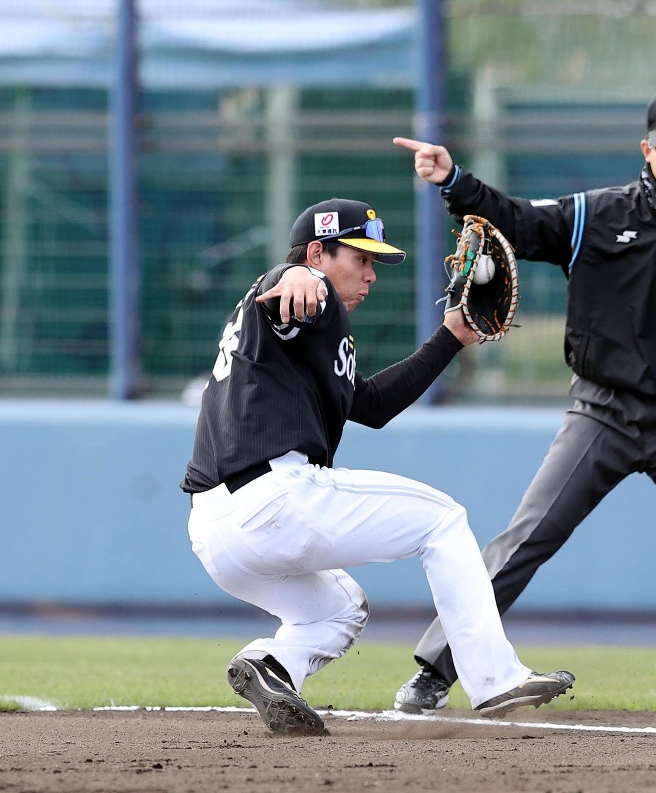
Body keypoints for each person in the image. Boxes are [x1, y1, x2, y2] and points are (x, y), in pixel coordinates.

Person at [391, 85, 656, 717]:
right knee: (525, 539)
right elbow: (514, 219)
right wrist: (454, 180)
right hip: (603, 412)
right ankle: (436, 670)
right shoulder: (595, 214)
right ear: (647, 148)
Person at [182, 198, 574, 736]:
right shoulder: (300, 294)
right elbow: (284, 287)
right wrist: (297, 272)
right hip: (274, 497)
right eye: (360, 259)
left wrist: (453, 336)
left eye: (373, 264)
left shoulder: (308, 329)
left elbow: (371, 405)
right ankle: (494, 678)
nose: (370, 275)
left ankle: (271, 666)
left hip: (216, 531)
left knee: (337, 610)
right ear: (319, 252)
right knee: (443, 520)